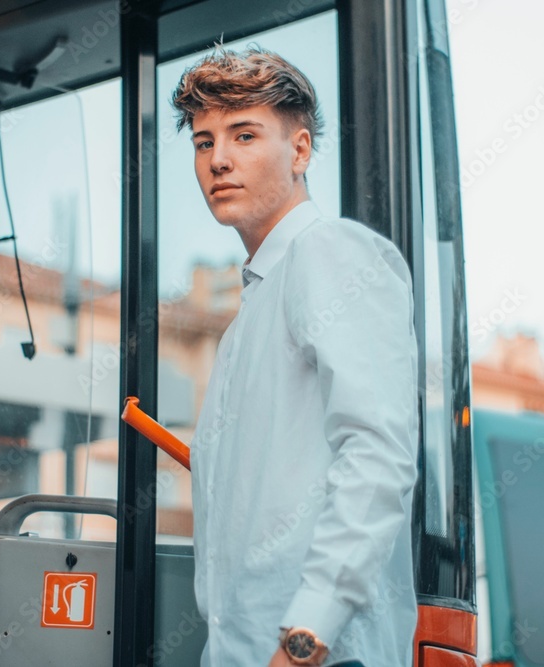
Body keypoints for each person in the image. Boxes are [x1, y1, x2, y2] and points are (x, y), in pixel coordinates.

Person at [171, 47, 419, 667]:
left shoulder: (329, 252)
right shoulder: (251, 312)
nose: (218, 159)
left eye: (244, 135)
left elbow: (378, 453)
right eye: (203, 143)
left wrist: (304, 639)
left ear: (300, 151)